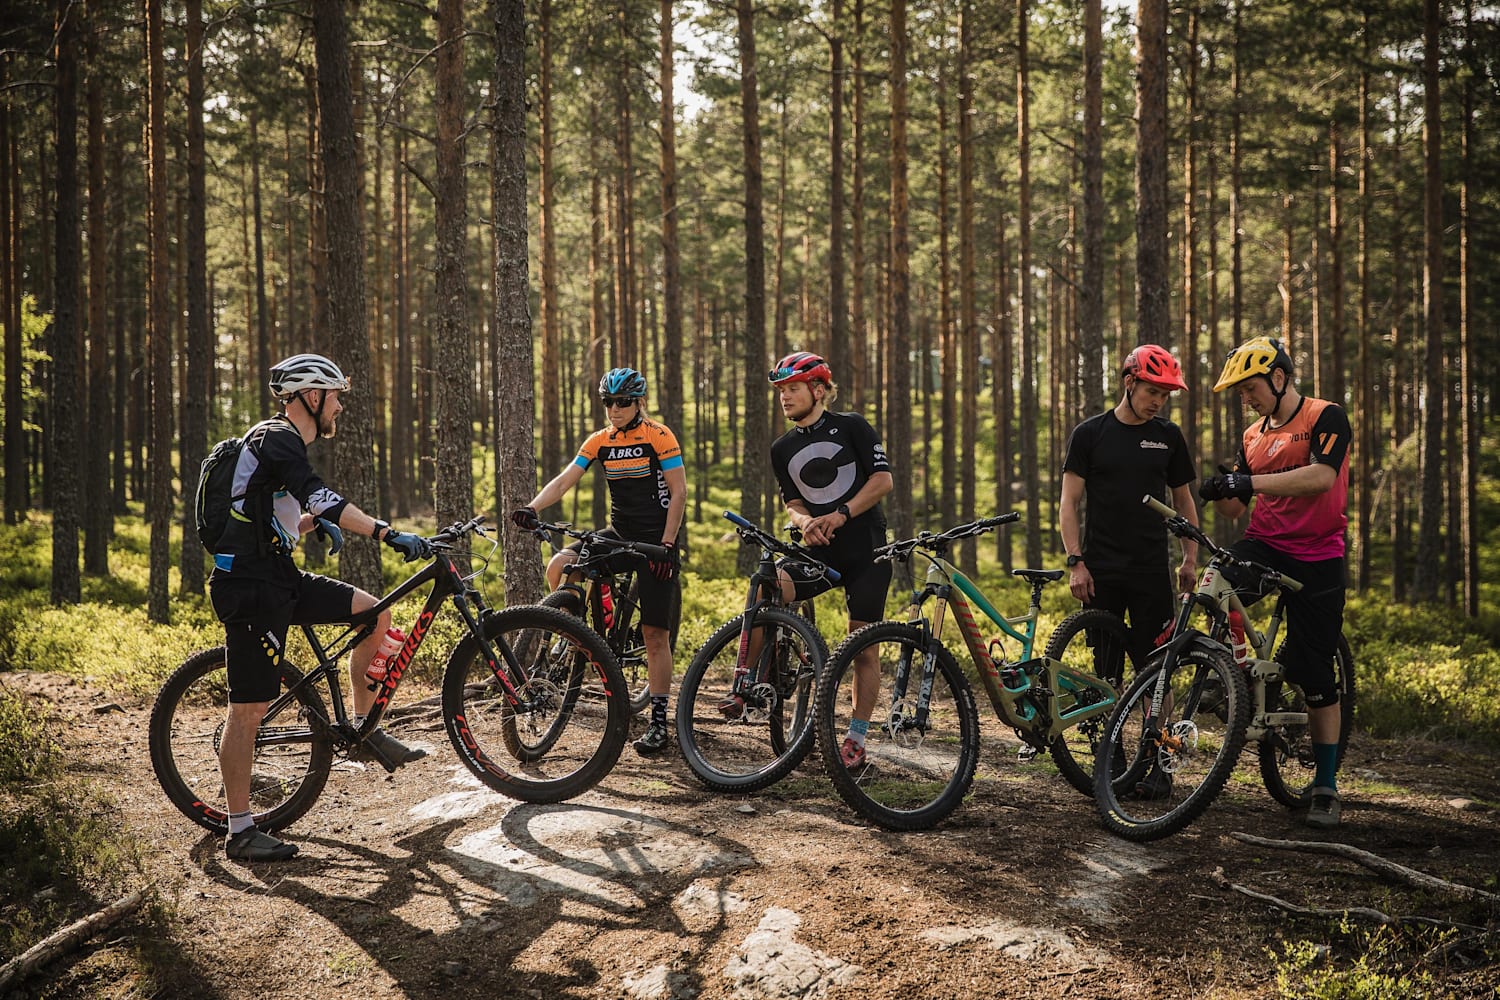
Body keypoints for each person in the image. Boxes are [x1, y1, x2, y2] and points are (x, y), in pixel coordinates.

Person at [209, 354, 432, 862]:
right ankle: (239, 830)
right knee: (248, 710)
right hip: (249, 586)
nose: (340, 407)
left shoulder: (282, 443)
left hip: (279, 577)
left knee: (374, 614)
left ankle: (364, 727)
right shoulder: (276, 437)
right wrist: (386, 533)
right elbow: (318, 495)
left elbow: (272, 509)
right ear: (312, 397)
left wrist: (310, 524)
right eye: (335, 397)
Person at [1201, 335, 1352, 829]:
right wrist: (1220, 488)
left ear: (1280, 377)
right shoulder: (1252, 436)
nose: (1245, 398)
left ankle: (1325, 785)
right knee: (1213, 584)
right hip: (1264, 544)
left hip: (1318, 556)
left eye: (1251, 388)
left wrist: (1248, 481)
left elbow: (1321, 477)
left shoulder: (1325, 416)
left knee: (1314, 675)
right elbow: (1235, 508)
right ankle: (1232, 673)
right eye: (1241, 391)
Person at [512, 368, 686, 757]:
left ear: (639, 403)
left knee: (654, 635)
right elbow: (564, 480)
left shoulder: (658, 435)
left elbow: (679, 492)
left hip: (656, 542)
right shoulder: (600, 440)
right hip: (619, 534)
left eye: (622, 402)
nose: (614, 409)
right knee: (560, 565)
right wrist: (532, 508)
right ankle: (578, 626)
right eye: (608, 402)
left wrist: (668, 543)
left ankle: (659, 722)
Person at [764, 351, 893, 769]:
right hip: (818, 549)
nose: (785, 397)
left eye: (793, 389)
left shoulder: (852, 426)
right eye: (781, 391)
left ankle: (856, 739)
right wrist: (804, 522)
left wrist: (841, 514)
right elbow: (793, 501)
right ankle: (753, 683)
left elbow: (882, 480)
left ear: (819, 391)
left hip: (866, 549)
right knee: (768, 587)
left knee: (863, 649)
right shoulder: (782, 447)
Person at [1060, 344, 1200, 667]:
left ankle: (1156, 706)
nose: (1158, 402)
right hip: (1101, 571)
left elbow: (1183, 500)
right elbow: (1069, 502)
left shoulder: (1168, 436)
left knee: (1156, 670)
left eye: (1164, 395)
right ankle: (1107, 704)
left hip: (1151, 570)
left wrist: (1190, 559)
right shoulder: (1089, 434)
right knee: (1106, 671)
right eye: (1152, 391)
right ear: (1129, 382)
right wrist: (1075, 562)